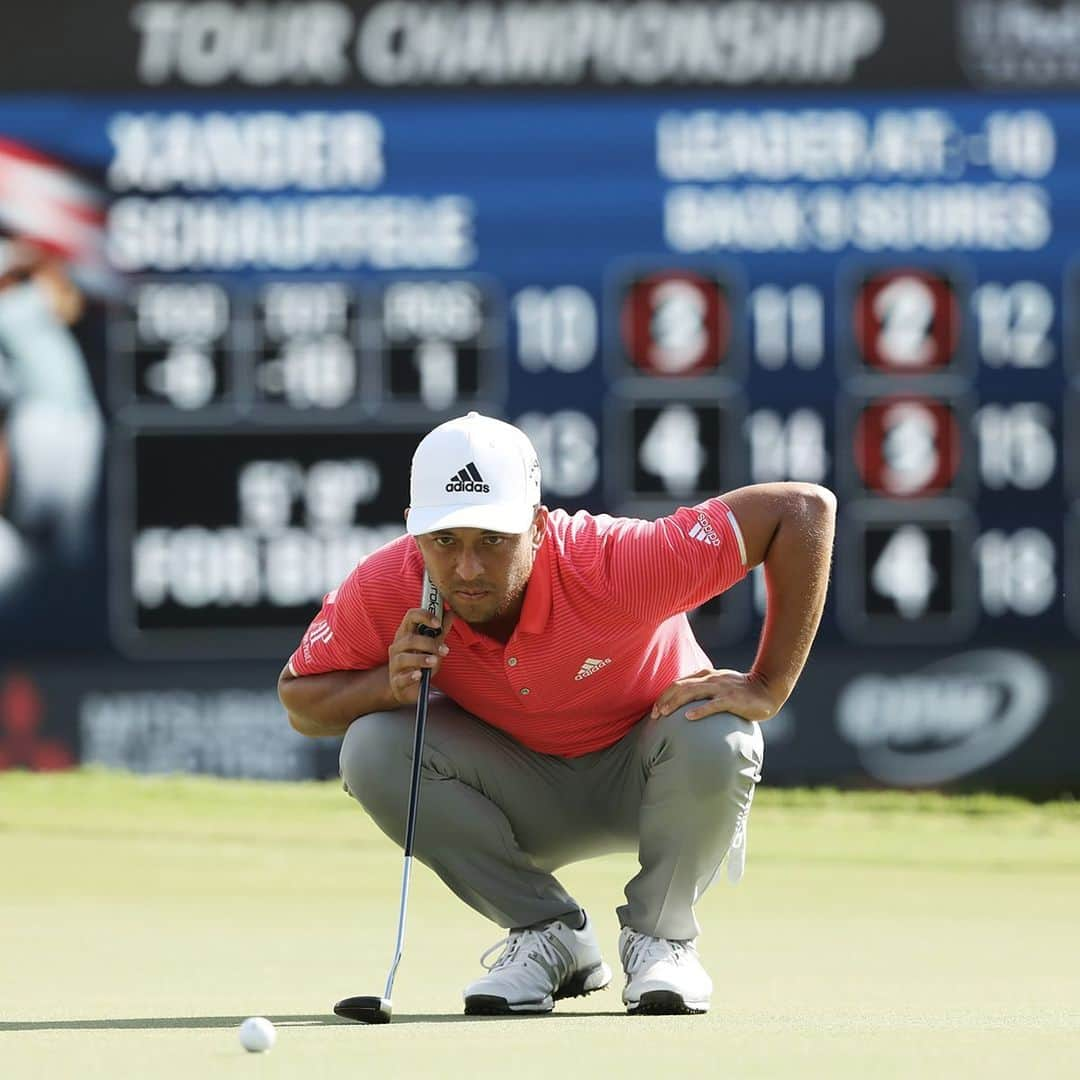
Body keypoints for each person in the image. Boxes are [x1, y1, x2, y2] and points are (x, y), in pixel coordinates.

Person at [279, 411, 836, 1016]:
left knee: (722, 733)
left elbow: (802, 509)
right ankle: (549, 934)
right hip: (519, 795)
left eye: (493, 540)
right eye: (446, 541)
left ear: (538, 527)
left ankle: (661, 941)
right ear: (415, 530)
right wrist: (386, 685)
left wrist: (767, 685)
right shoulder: (388, 585)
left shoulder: (614, 562)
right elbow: (300, 700)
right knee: (371, 746)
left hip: (655, 783)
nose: (467, 568)